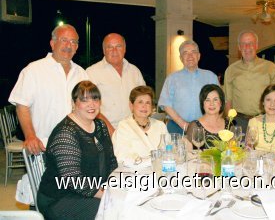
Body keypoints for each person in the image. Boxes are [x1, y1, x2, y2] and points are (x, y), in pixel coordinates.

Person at [37, 81, 117, 220]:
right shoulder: (66, 133)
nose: (91, 104)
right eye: (84, 100)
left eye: (95, 99)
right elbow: (72, 179)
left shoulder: (100, 125)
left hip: (92, 189)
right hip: (61, 198)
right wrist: (105, 194)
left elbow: (111, 160)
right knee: (115, 210)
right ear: (74, 103)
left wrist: (115, 185)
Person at [8, 24, 88, 154]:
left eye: (73, 42)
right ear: (52, 43)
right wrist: (30, 136)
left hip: (76, 145)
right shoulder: (33, 70)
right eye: (64, 40)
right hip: (43, 146)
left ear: (77, 47)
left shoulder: (82, 74)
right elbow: (22, 106)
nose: (68, 45)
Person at [224, 30, 275, 132]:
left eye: (250, 43)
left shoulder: (270, 68)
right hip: (239, 122)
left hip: (265, 119)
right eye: (243, 44)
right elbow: (227, 100)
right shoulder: (231, 70)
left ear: (256, 46)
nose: (247, 47)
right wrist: (229, 123)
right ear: (239, 47)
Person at [87, 33, 145, 135]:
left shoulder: (134, 71)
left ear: (124, 49)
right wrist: (111, 132)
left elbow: (143, 101)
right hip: (104, 132)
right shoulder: (92, 73)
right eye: (110, 47)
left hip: (133, 130)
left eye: (118, 46)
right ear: (104, 50)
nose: (114, 51)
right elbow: (89, 107)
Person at [158, 40, 219, 135]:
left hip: (205, 128)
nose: (190, 56)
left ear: (199, 56)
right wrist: (183, 124)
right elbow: (166, 104)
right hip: (176, 127)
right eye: (185, 53)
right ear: (181, 58)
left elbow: (219, 103)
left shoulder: (211, 77)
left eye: (193, 52)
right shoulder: (172, 78)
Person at [112, 86, 168, 161]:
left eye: (148, 103)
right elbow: (122, 156)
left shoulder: (160, 126)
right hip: (134, 171)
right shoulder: (124, 127)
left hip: (160, 169)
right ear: (131, 105)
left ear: (151, 107)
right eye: (140, 102)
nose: (144, 106)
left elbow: (169, 151)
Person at [185, 84, 229, 150]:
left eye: (215, 99)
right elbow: (188, 154)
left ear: (221, 103)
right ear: (202, 104)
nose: (211, 103)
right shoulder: (195, 126)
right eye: (207, 100)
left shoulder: (228, 124)